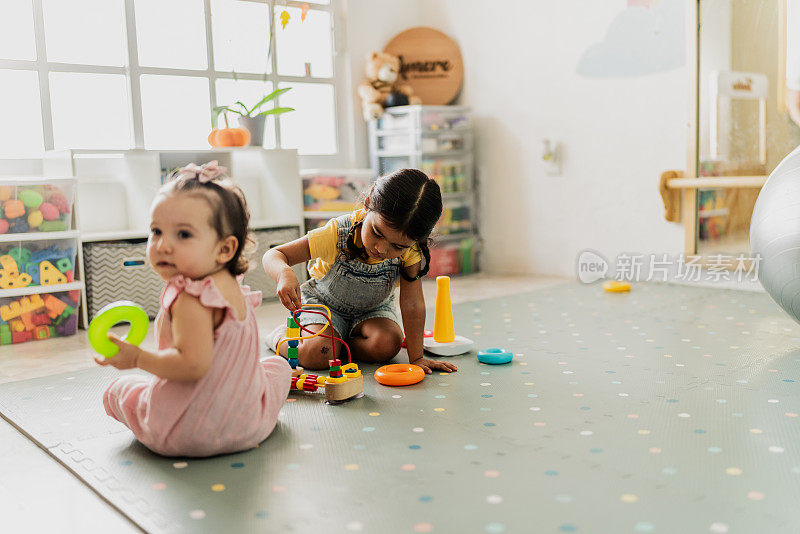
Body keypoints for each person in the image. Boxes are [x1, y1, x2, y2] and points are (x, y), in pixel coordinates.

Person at [96, 161, 291, 457]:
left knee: (119, 390)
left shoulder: (191, 298)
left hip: (184, 432)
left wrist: (137, 358)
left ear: (224, 248)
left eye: (183, 234)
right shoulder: (232, 285)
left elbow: (192, 366)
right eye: (156, 231)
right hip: (248, 425)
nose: (162, 245)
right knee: (278, 367)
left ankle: (136, 403)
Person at [262, 168, 457, 375]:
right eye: (377, 232)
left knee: (388, 345)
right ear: (368, 203)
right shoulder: (337, 233)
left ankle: (337, 345)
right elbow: (274, 255)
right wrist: (284, 273)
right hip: (324, 306)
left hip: (373, 310)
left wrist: (416, 357)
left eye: (397, 246)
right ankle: (280, 337)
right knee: (318, 354)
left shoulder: (411, 251)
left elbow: (412, 303)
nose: (381, 249)